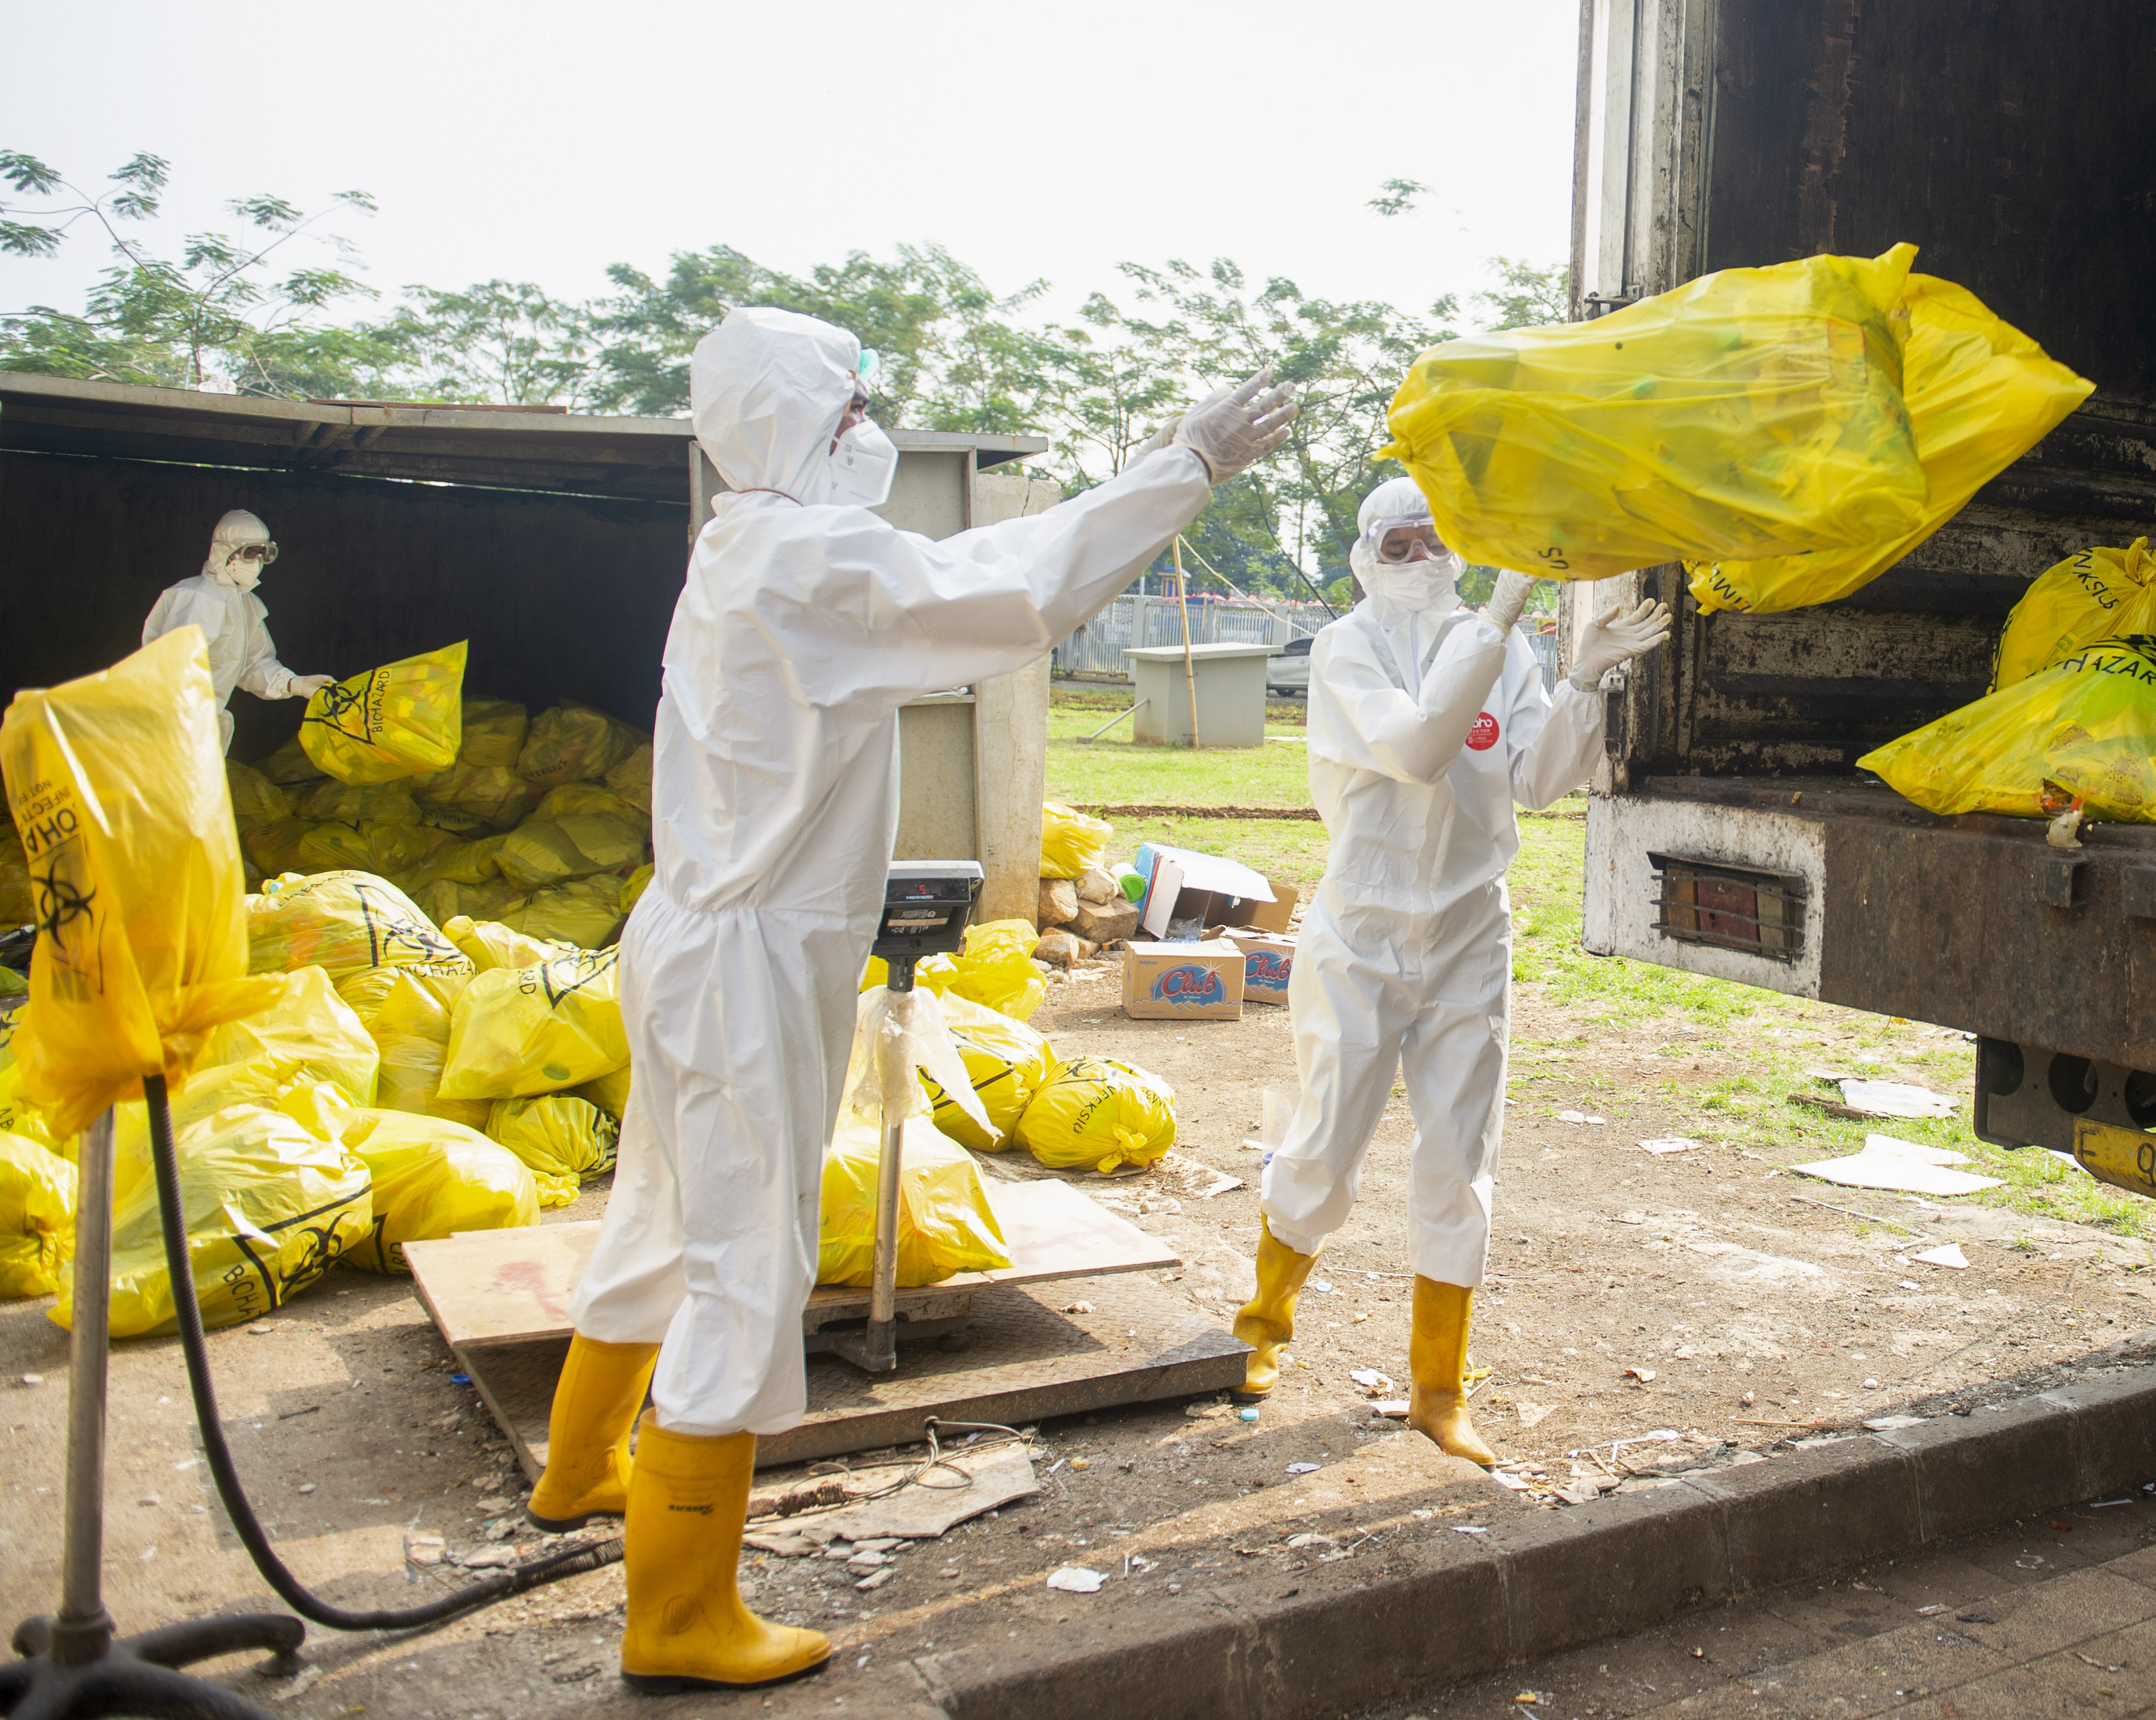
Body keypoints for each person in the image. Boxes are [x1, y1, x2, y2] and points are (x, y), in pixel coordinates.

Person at [525, 307, 1290, 1692]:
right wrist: (1184, 462)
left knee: (663, 1208)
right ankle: (680, 1611)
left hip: (695, 935)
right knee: (744, 1260)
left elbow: (965, 582)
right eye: (846, 410)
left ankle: (581, 1470)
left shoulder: (747, 543)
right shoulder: (811, 557)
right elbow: (1015, 584)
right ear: (794, 428)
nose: (866, 430)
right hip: (749, 959)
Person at [1233, 478, 1669, 1465]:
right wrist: (1505, 613)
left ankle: (1438, 1387)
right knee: (1327, 1135)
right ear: (1366, 554)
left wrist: (1582, 683)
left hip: (1471, 930)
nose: (1422, 558)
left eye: (1439, 540)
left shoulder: (1501, 646)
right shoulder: (1349, 650)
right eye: (1400, 544)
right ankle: (1262, 1323)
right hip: (1364, 933)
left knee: (1462, 1156)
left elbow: (1535, 782)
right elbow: (1423, 746)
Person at [139, 510, 332, 751]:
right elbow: (170, 670)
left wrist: (295, 684)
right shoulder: (197, 598)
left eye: (264, 554)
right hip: (169, 730)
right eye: (250, 553)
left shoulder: (245, 605)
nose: (257, 562)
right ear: (224, 552)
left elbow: (252, 664)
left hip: (201, 731)